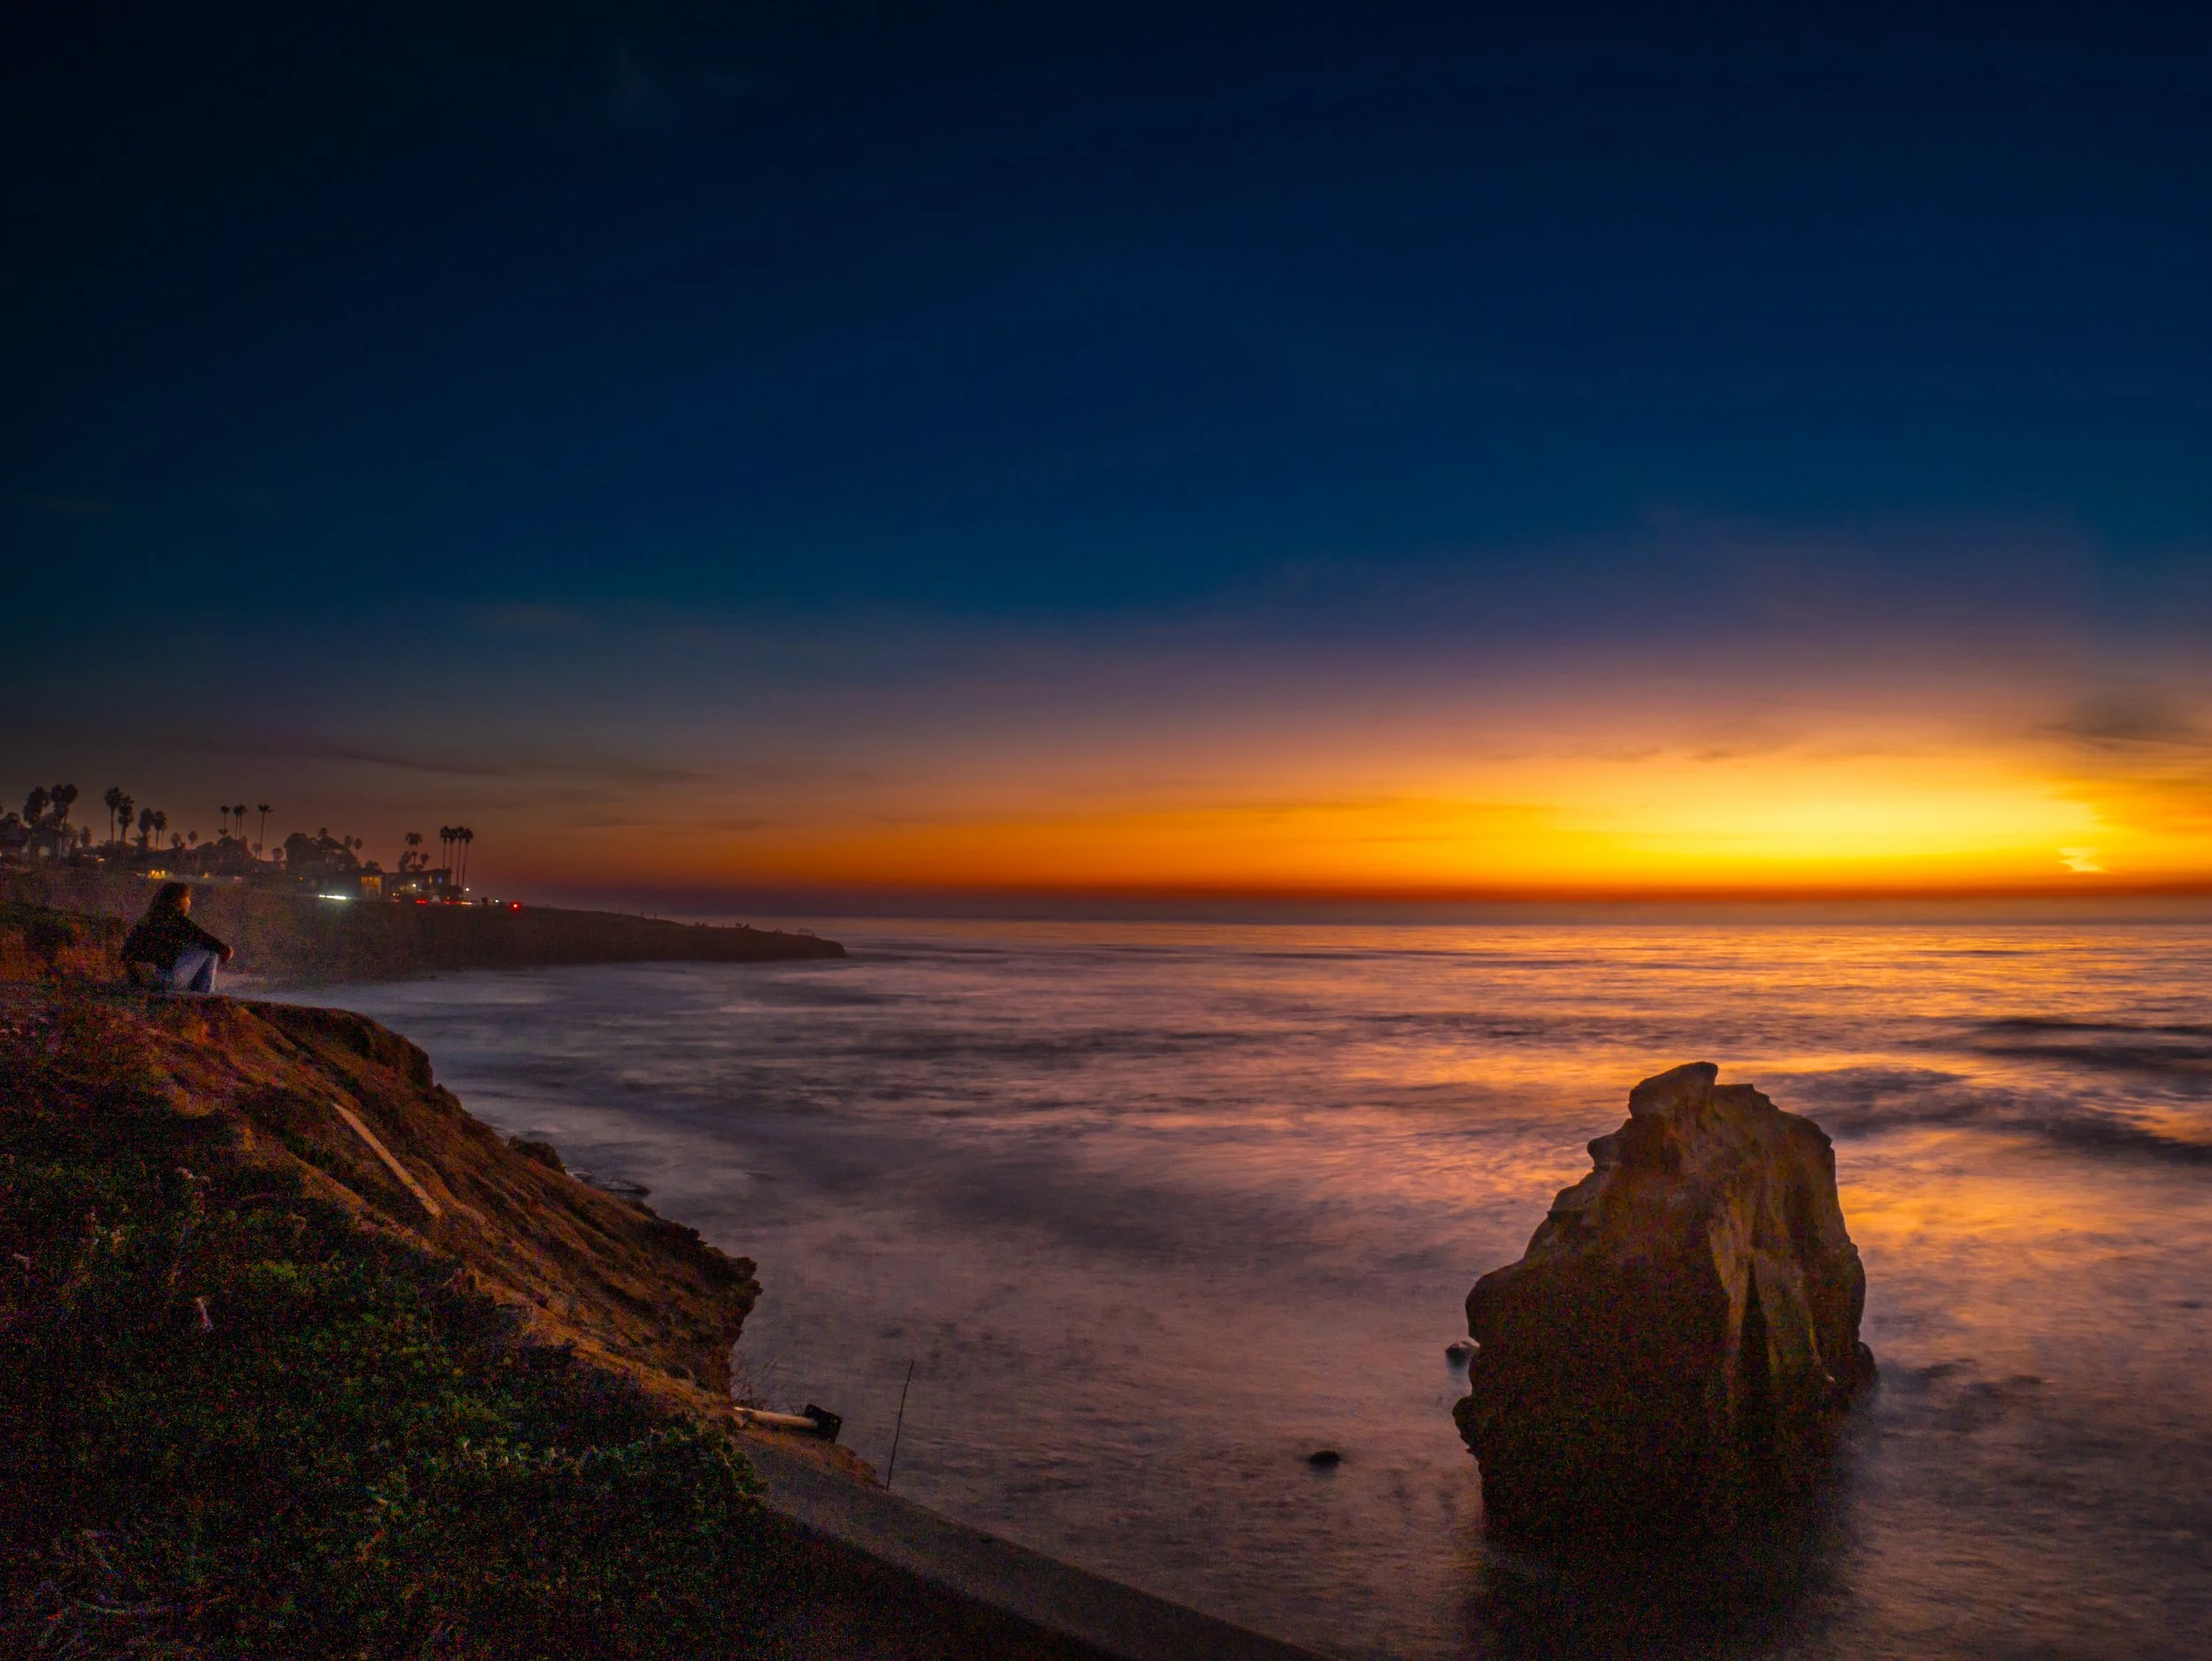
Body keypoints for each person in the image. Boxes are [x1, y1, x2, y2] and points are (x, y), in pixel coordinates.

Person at [122, 882, 234, 993]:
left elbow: (127, 953)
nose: (190, 902)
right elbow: (204, 938)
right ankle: (203, 995)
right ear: (180, 900)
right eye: (188, 898)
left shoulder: (147, 920)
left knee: (198, 946)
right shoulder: (175, 920)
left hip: (136, 978)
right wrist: (226, 950)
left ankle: (197, 993)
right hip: (160, 980)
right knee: (209, 950)